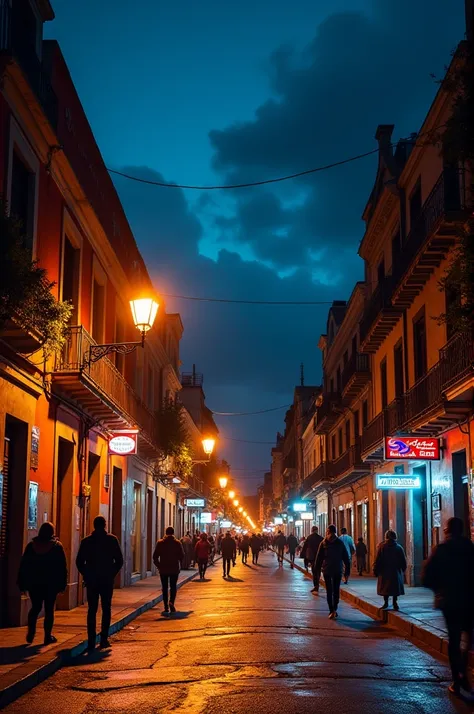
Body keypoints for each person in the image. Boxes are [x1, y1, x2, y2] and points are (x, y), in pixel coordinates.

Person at [423, 517, 474, 701]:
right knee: (468, 637)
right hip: (469, 599)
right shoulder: (470, 547)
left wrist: (440, 590)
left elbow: (426, 577)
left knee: (453, 640)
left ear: (447, 530)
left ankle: (457, 681)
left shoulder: (441, 549)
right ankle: (463, 672)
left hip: (450, 601)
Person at [76, 515, 124, 651]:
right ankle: (103, 639)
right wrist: (111, 574)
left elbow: (79, 561)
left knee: (92, 610)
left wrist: (86, 574)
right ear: (105, 525)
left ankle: (91, 641)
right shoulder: (112, 540)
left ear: (93, 525)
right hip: (106, 580)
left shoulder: (86, 542)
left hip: (92, 580)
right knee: (106, 609)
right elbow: (119, 561)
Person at [17, 521, 67, 645]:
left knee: (35, 607)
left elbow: (24, 565)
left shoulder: (31, 546)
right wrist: (62, 584)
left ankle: (31, 632)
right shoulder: (56, 546)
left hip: (35, 583)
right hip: (51, 584)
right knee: (49, 610)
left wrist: (22, 583)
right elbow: (62, 567)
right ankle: (47, 636)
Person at [314, 525, 350, 619]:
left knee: (329, 591)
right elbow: (346, 558)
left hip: (327, 569)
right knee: (336, 590)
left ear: (328, 532)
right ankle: (335, 608)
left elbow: (319, 559)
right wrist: (347, 571)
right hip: (337, 569)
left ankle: (331, 610)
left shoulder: (324, 543)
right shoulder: (339, 542)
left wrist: (316, 571)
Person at [373, 530, 407, 611]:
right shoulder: (399, 548)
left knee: (385, 588)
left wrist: (375, 569)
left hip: (384, 571)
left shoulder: (382, 547)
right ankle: (395, 603)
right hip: (395, 571)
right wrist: (403, 570)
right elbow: (403, 561)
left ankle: (386, 603)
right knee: (395, 588)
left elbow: (378, 560)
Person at [153, 526, 185, 611]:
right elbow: (182, 555)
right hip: (174, 569)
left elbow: (155, 557)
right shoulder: (177, 543)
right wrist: (179, 563)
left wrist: (159, 566)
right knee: (173, 586)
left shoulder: (160, 543)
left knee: (164, 587)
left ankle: (165, 606)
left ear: (166, 533)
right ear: (173, 533)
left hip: (163, 569)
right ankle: (171, 602)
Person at [301, 526, 323, 593]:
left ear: (312, 530)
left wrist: (304, 557)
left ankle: (316, 586)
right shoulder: (321, 538)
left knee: (314, 571)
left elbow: (305, 547)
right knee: (318, 571)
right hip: (319, 557)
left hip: (312, 557)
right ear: (317, 530)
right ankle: (317, 583)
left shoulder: (309, 538)